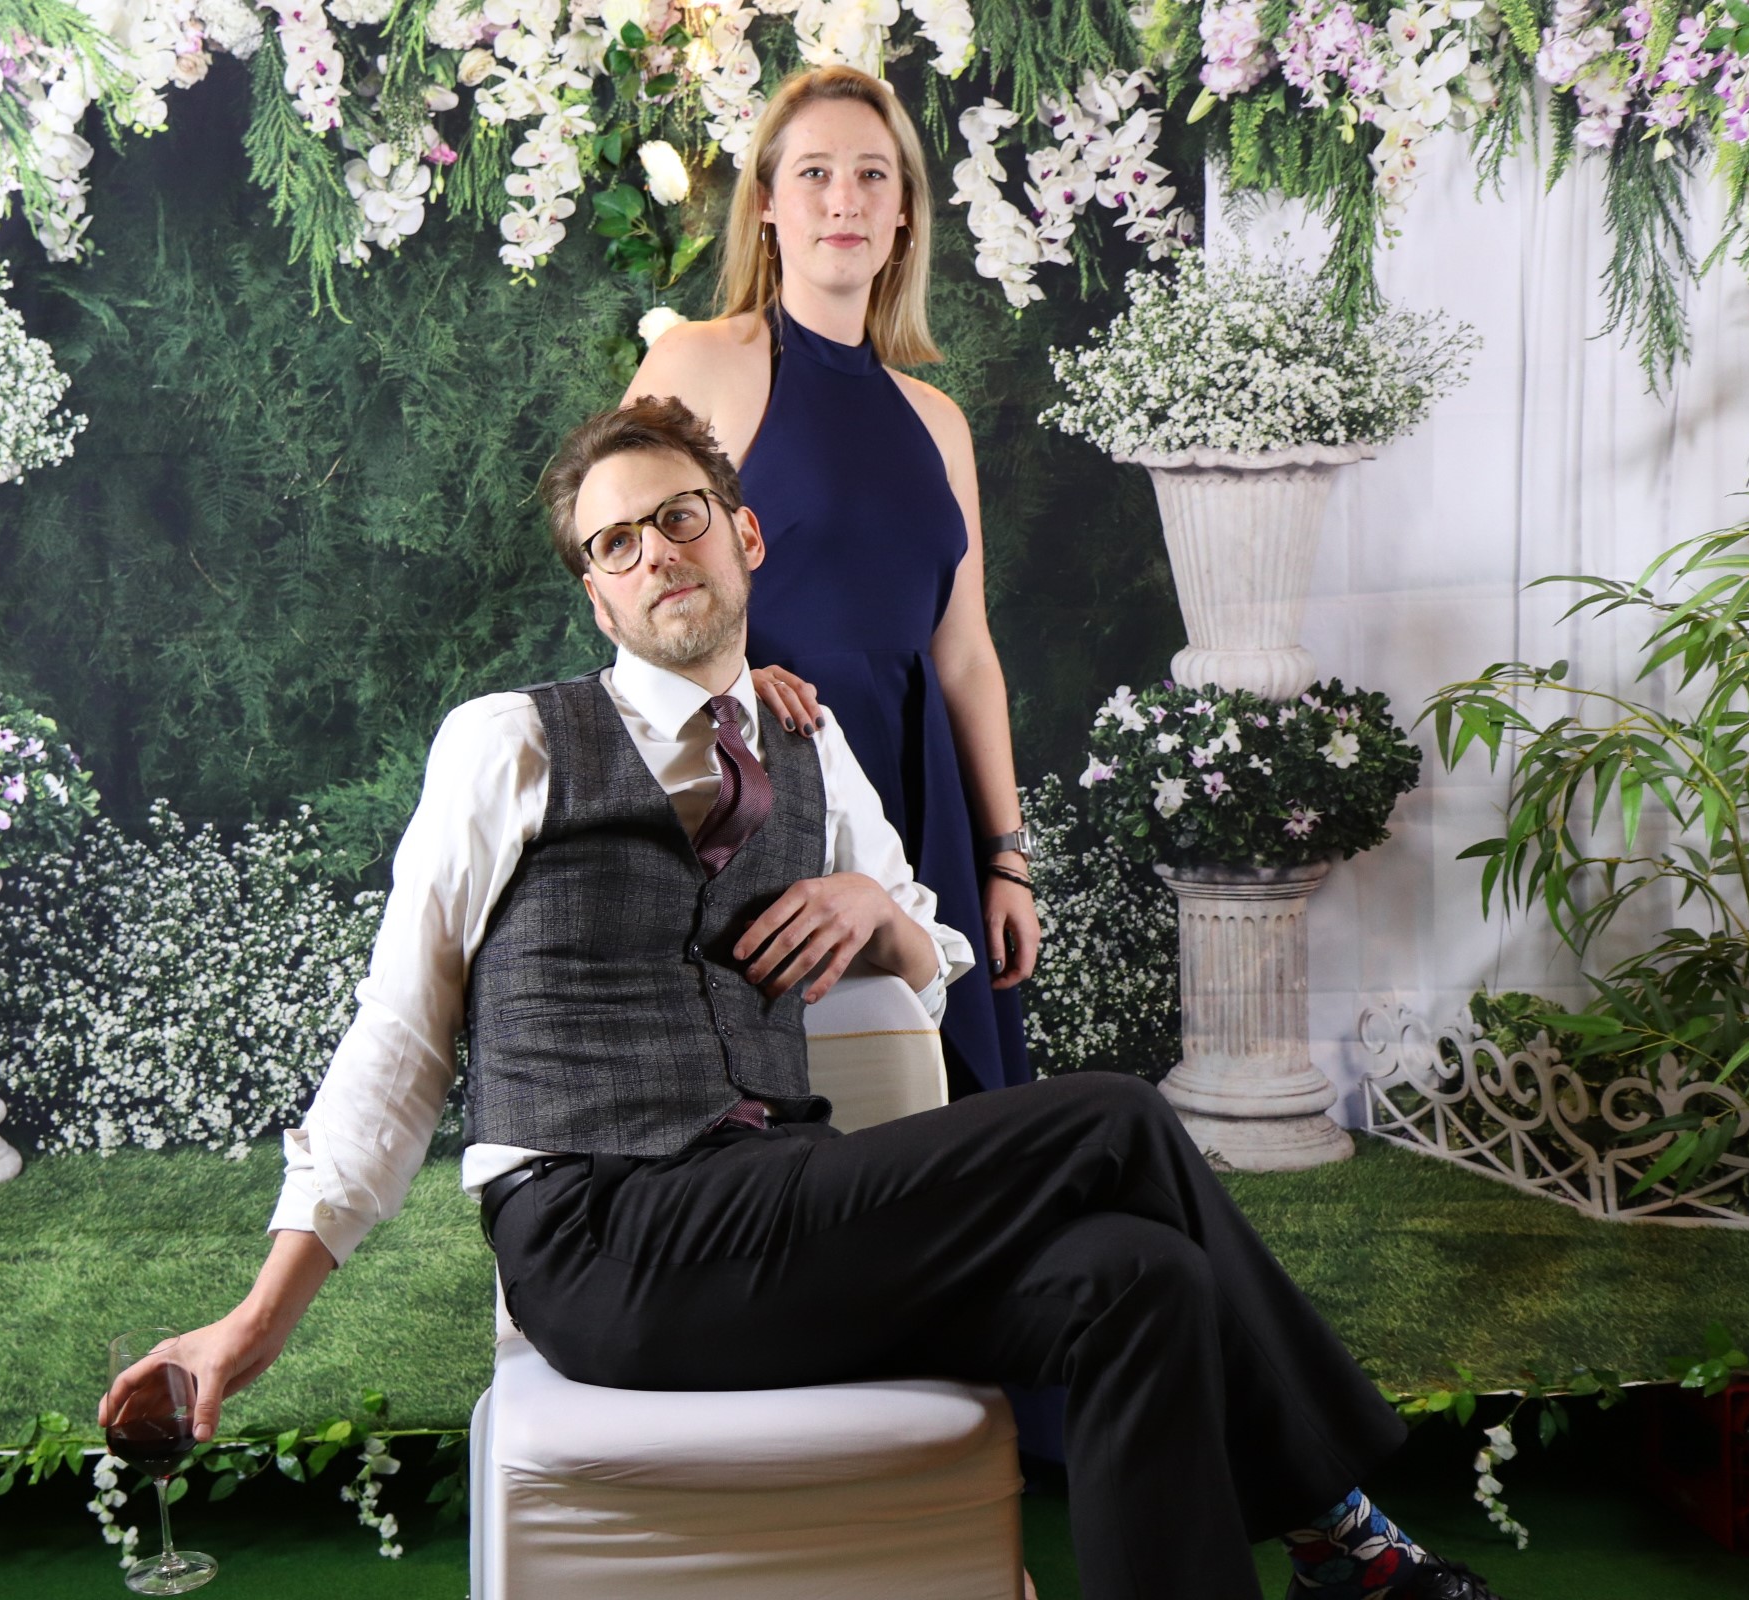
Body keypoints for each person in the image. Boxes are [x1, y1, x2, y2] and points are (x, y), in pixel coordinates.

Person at [100, 398, 1507, 1600]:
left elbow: (933, 954)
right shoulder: (509, 742)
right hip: (602, 1236)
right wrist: (254, 1325)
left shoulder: (809, 750)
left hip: (776, 1213)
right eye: (614, 543)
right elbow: (400, 1039)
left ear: (744, 534)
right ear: (595, 595)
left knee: (1144, 1281)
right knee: (1115, 1121)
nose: (656, 552)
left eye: (680, 517)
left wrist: (880, 915)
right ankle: (1342, 1530)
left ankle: (1312, 1557)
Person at [624, 64, 1036, 1094]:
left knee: (954, 1118)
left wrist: (1004, 857)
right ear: (767, 205)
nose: (844, 199)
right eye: (814, 172)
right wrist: (724, 684)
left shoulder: (938, 422)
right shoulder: (700, 363)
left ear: (904, 215)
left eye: (871, 175)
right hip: (763, 781)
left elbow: (966, 655)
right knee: (796, 1105)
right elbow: (623, 571)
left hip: (925, 799)